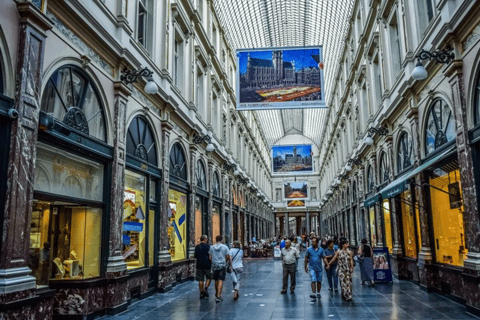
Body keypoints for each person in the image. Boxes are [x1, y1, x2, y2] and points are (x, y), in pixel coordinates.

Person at [209, 235, 230, 302]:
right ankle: (218, 295)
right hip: (222, 265)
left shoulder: (212, 247)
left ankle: (216, 293)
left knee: (215, 280)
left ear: (216, 240)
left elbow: (210, 257)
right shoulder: (225, 247)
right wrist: (224, 260)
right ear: (221, 240)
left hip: (214, 265)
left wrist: (214, 261)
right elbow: (227, 256)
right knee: (220, 280)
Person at [194, 235, 212, 299]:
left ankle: (201, 292)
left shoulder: (197, 247)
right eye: (206, 238)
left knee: (200, 279)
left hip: (199, 265)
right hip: (207, 264)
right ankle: (205, 288)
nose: (207, 239)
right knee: (209, 277)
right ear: (204, 239)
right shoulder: (209, 246)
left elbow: (195, 256)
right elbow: (210, 256)